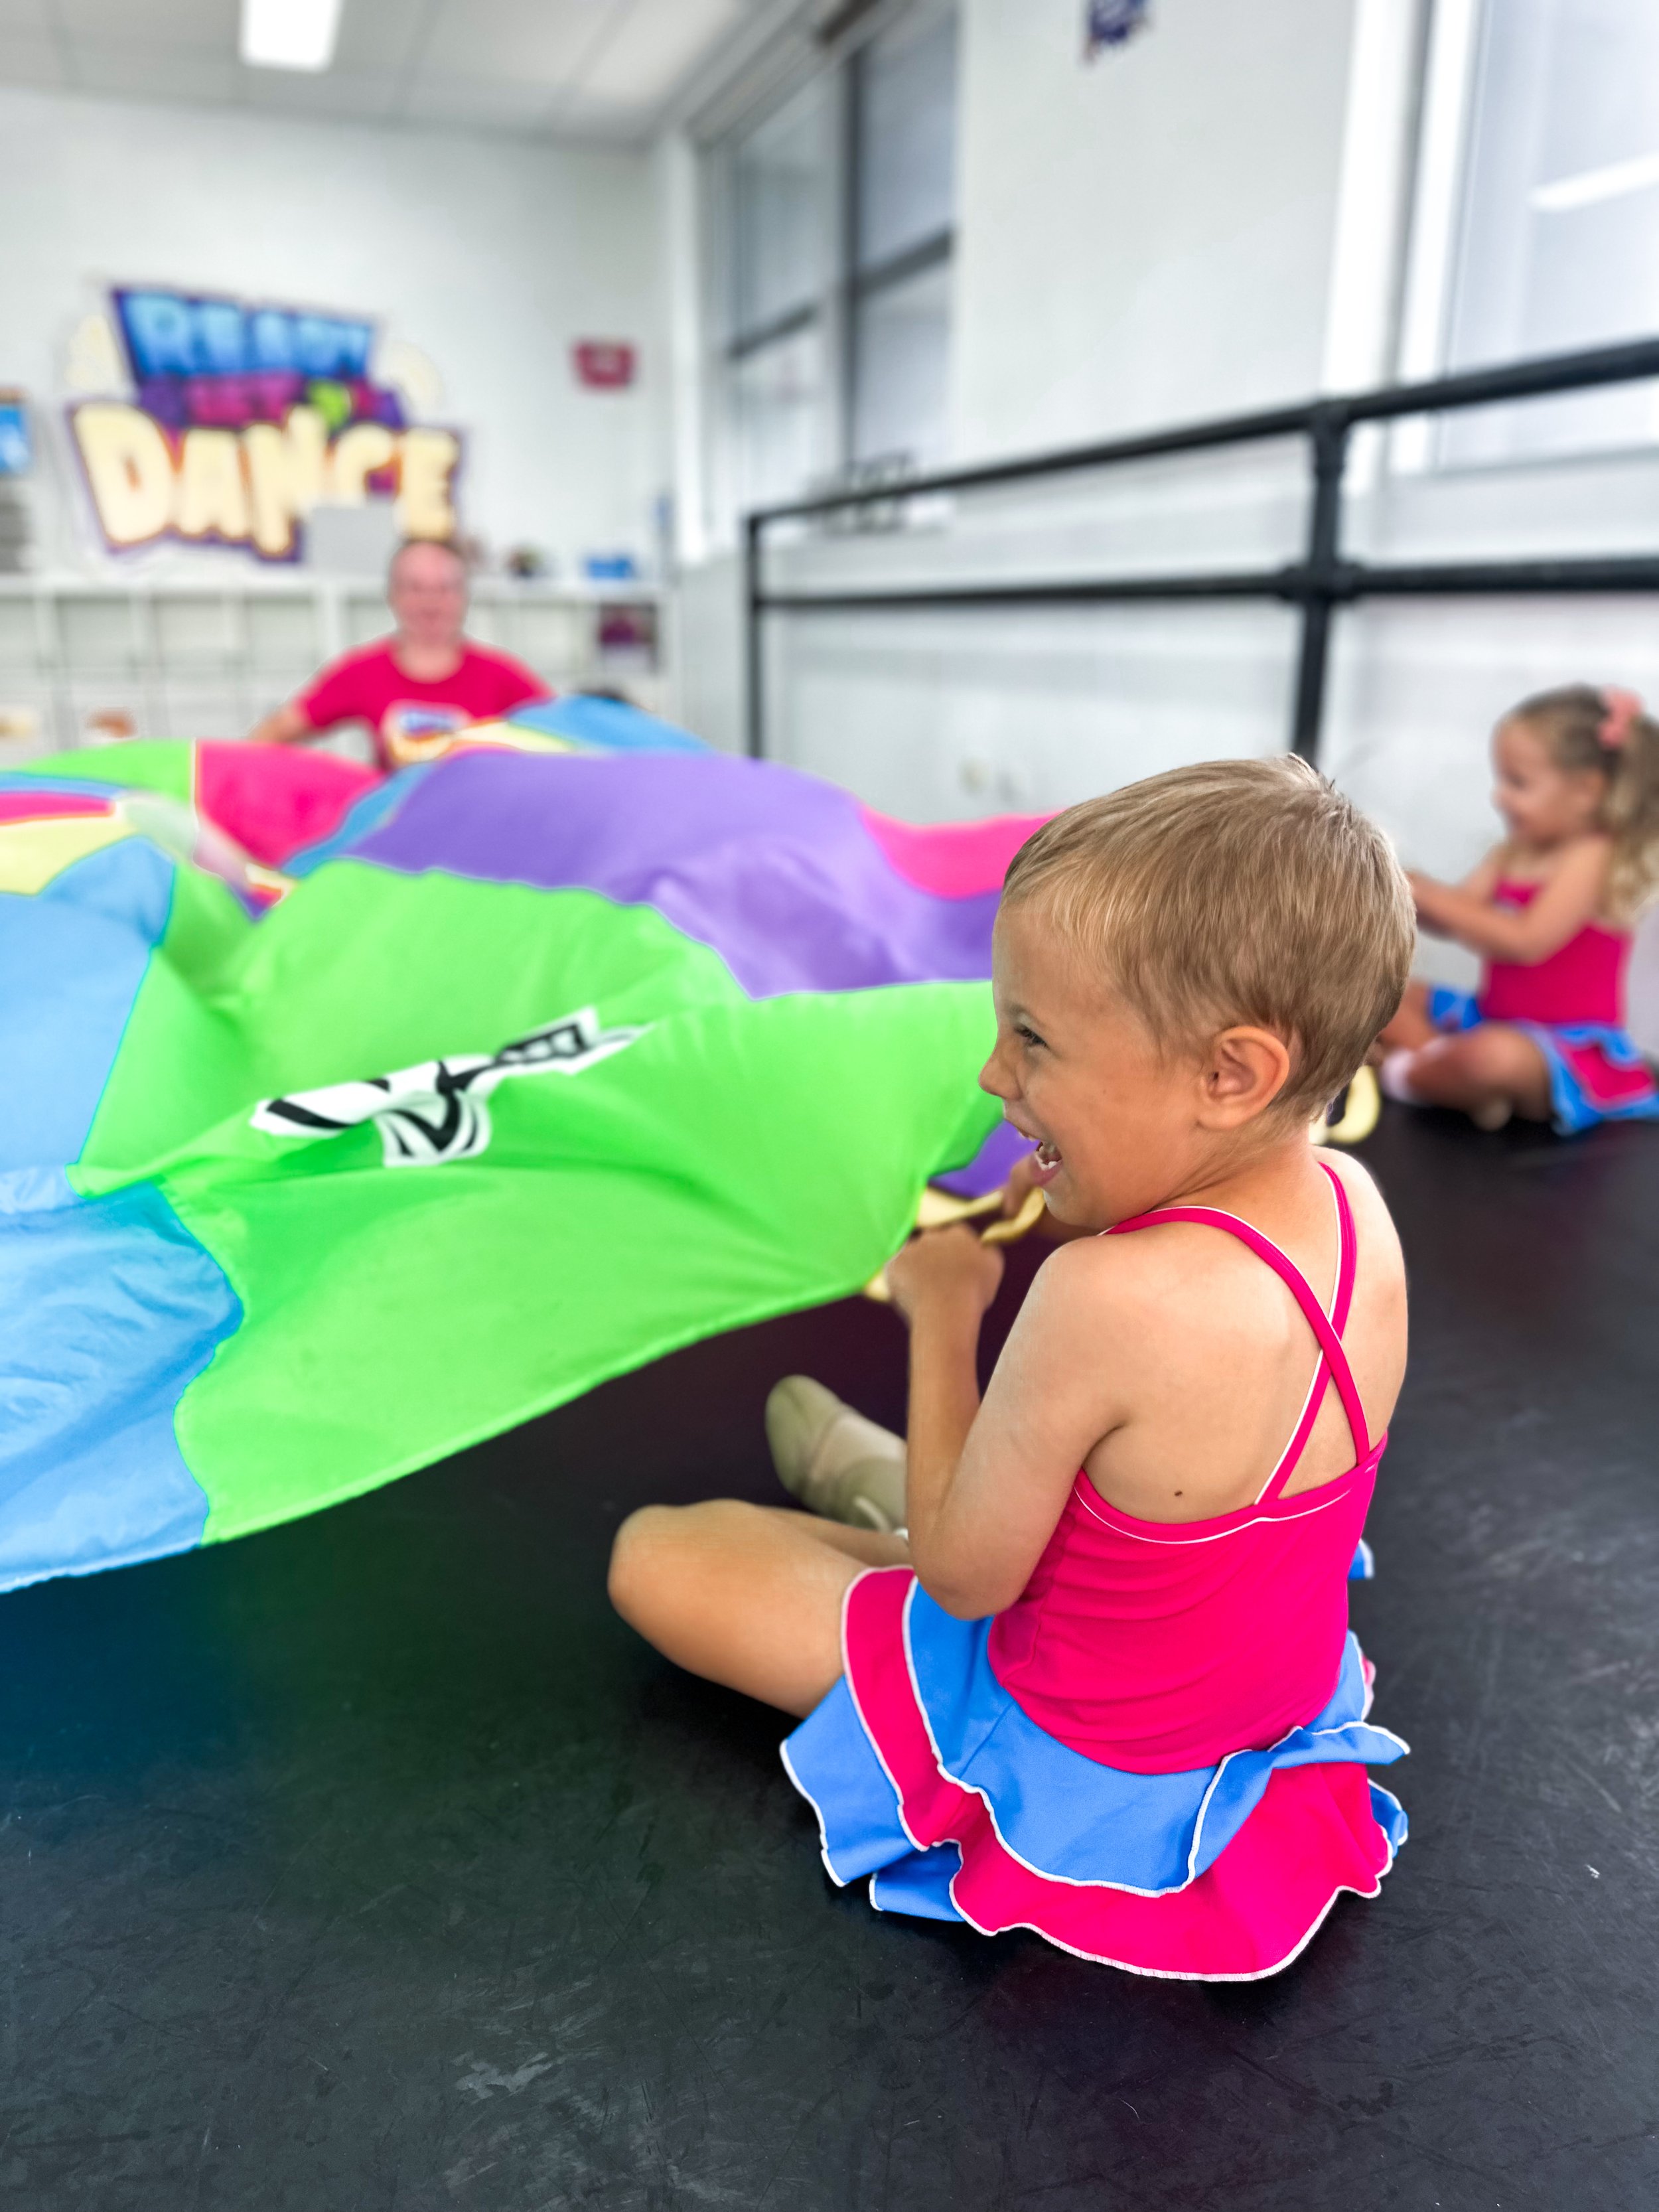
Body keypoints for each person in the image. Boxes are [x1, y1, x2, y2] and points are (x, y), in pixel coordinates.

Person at [609, 759, 1414, 1980]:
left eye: (1032, 1038)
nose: (996, 1073)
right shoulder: (1356, 1205)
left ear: (1231, 1074)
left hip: (1083, 1752)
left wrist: (943, 1311)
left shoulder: (1100, 1296)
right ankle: (887, 1485)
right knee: (920, 1538)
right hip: (1253, 1705)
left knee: (663, 1547)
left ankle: (896, 1485)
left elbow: (968, 1580)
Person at [1378, 684, 1659, 1134]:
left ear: (1587, 790)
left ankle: (1407, 1073)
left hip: (1557, 1043)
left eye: (1518, 782)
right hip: (1492, 1017)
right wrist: (1398, 889)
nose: (1499, 797)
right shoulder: (1512, 852)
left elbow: (1527, 942)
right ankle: (1443, 1072)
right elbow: (1459, 915)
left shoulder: (1593, 855)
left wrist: (1426, 892)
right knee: (1375, 991)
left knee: (1493, 1058)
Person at [249, 538, 547, 771]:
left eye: (445, 589)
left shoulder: (500, 675)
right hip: (392, 833)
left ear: (464, 596)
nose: (431, 603)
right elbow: (274, 733)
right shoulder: (362, 672)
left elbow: (569, 734)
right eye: (415, 588)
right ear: (392, 596)